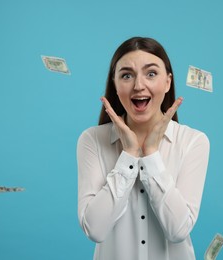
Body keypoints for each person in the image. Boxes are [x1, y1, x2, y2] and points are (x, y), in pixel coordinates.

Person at [77, 36, 210, 260]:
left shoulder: (193, 141)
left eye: (151, 74)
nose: (139, 85)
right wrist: (128, 156)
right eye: (127, 75)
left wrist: (151, 156)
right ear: (115, 84)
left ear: (167, 82)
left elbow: (178, 230)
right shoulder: (92, 140)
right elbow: (95, 229)